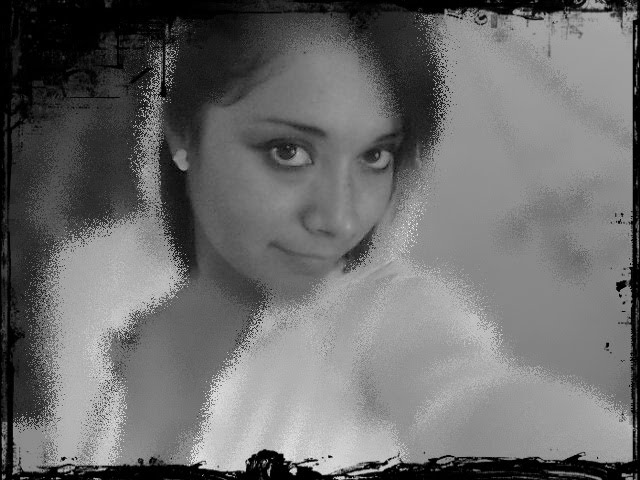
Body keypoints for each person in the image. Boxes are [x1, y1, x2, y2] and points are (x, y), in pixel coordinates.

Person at [15, 11, 631, 474]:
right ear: (182, 132)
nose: (339, 218)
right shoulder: (92, 274)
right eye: (289, 151)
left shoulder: (382, 320)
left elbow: (469, 395)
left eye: (375, 156)